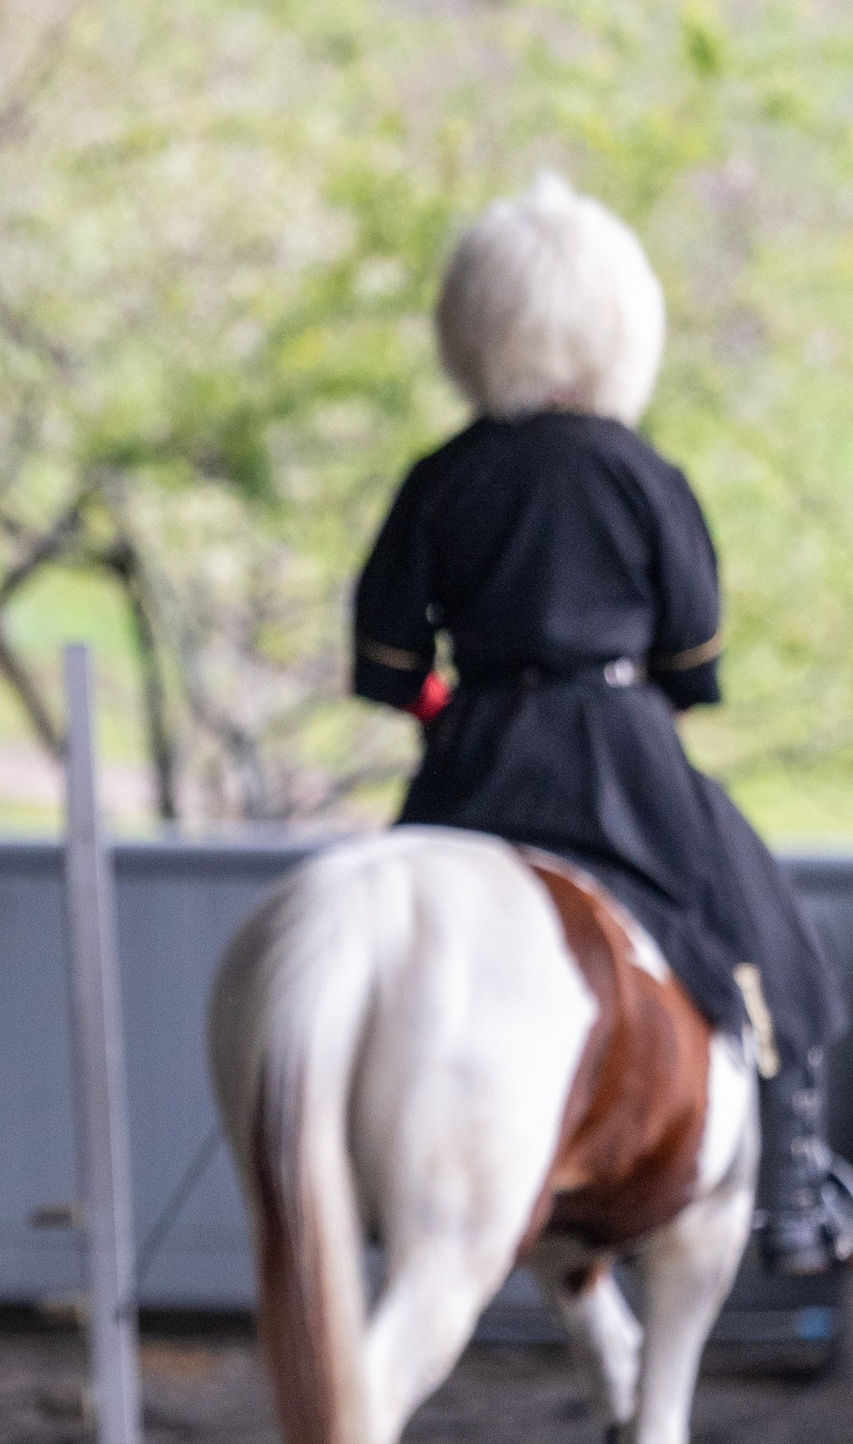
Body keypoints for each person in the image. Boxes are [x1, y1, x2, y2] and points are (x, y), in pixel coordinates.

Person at [352, 170, 851, 1272]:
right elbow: (691, 661)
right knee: (780, 933)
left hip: (475, 750)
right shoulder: (644, 471)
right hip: (623, 745)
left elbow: (387, 660)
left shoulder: (444, 472)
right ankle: (798, 1188)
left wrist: (454, 707)